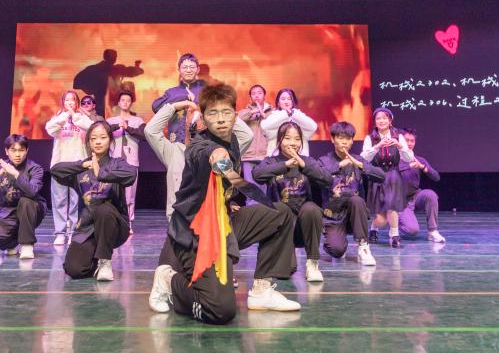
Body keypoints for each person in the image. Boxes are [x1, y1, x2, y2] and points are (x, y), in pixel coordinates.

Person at [149, 83, 301, 324]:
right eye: (213, 113)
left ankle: (262, 290)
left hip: (224, 225)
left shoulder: (235, 142)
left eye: (226, 113)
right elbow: (207, 154)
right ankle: (169, 280)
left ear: (235, 115)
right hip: (195, 234)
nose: (220, 119)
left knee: (280, 212)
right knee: (220, 310)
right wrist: (218, 158)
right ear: (203, 118)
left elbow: (239, 138)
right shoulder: (198, 146)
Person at [50, 120, 137, 281]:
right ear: (88, 141)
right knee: (74, 269)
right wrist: (83, 165)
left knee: (103, 209)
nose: (98, 142)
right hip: (87, 228)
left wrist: (101, 173)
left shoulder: (117, 163)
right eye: (93, 138)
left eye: (103, 137)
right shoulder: (82, 167)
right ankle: (95, 259)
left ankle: (105, 261)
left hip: (115, 225)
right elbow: (55, 170)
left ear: (110, 140)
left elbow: (131, 175)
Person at [252, 121, 333, 282]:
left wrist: (303, 165)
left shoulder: (308, 161)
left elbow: (327, 179)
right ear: (279, 140)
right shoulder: (272, 161)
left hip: (304, 226)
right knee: (286, 270)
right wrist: (285, 165)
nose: (293, 143)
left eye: (297, 139)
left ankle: (312, 263)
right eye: (288, 138)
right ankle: (285, 252)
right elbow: (257, 175)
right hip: (282, 227)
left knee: (311, 208)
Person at [317, 121, 383, 266]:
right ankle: (336, 242)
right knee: (337, 251)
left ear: (352, 141)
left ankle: (363, 246)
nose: (344, 142)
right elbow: (318, 176)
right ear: (332, 139)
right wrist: (339, 165)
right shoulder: (323, 161)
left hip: (355, 215)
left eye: (348, 138)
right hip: (333, 216)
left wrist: (360, 165)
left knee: (356, 200)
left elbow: (381, 176)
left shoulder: (358, 159)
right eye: (340, 138)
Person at [0, 134, 47, 258]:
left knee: (26, 201)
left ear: (27, 151)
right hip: (8, 212)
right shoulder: (0, 167)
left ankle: (27, 245)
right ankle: (13, 243)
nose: (17, 154)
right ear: (6, 151)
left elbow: (32, 192)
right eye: (13, 150)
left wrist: (15, 173)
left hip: (31, 209)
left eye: (21, 150)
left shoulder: (35, 168)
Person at [361, 107, 415, 248]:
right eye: (378, 118)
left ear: (390, 121)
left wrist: (400, 146)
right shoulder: (370, 138)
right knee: (381, 219)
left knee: (392, 206)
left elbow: (409, 158)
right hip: (377, 175)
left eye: (385, 118)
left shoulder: (398, 136)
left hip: (393, 175)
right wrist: (377, 146)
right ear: (375, 122)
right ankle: (374, 228)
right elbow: (364, 158)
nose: (382, 121)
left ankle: (395, 235)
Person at [46, 90, 94, 246]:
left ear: (77, 102)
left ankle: (73, 231)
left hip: (78, 165)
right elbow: (50, 129)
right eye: (67, 100)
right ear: (63, 102)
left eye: (73, 100)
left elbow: (91, 128)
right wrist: (64, 117)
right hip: (60, 164)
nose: (70, 103)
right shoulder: (58, 117)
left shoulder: (82, 117)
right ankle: (60, 233)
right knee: (59, 200)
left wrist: (75, 116)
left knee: (75, 200)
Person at [397, 128, 446, 243]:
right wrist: (408, 166)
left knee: (430, 195)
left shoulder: (419, 159)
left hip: (415, 196)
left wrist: (422, 167)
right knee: (412, 230)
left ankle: (432, 231)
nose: (409, 143)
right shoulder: (394, 160)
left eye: (412, 141)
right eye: (407, 140)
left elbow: (436, 177)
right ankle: (393, 222)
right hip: (400, 201)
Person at [106, 89, 145, 231]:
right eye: (123, 100)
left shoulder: (138, 121)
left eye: (128, 100)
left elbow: (143, 135)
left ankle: (128, 223)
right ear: (118, 102)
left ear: (131, 103)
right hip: (114, 161)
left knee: (130, 195)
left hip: (131, 162)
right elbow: (103, 132)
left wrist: (128, 128)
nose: (125, 102)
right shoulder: (110, 121)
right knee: (114, 193)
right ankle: (115, 222)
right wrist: (118, 126)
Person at [151, 53, 207, 144]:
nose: (188, 70)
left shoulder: (206, 91)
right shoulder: (172, 93)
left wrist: (195, 100)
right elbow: (155, 107)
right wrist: (184, 97)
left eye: (192, 67)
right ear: (179, 70)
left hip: (201, 142)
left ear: (198, 70)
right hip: (176, 141)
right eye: (185, 67)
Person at [73, 49, 145, 117]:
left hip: (114, 97)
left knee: (128, 84)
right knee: (101, 114)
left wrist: (137, 67)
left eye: (114, 57)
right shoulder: (96, 69)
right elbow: (77, 82)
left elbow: (132, 71)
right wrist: (91, 89)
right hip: (102, 98)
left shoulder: (115, 69)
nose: (114, 59)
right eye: (112, 57)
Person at [260, 88, 317, 156]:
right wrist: (286, 114)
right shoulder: (274, 115)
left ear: (293, 102)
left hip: (299, 156)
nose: (286, 101)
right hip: (277, 157)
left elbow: (313, 127)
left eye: (289, 99)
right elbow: (264, 126)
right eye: (283, 99)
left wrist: (293, 114)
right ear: (278, 102)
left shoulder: (299, 115)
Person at [237, 84, 273, 186]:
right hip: (248, 155)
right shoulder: (245, 112)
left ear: (264, 96)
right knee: (250, 187)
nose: (256, 95)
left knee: (264, 188)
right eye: (253, 94)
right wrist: (252, 112)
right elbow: (236, 120)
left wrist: (263, 113)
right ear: (250, 97)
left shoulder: (272, 112)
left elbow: (274, 126)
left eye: (259, 93)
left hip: (265, 155)